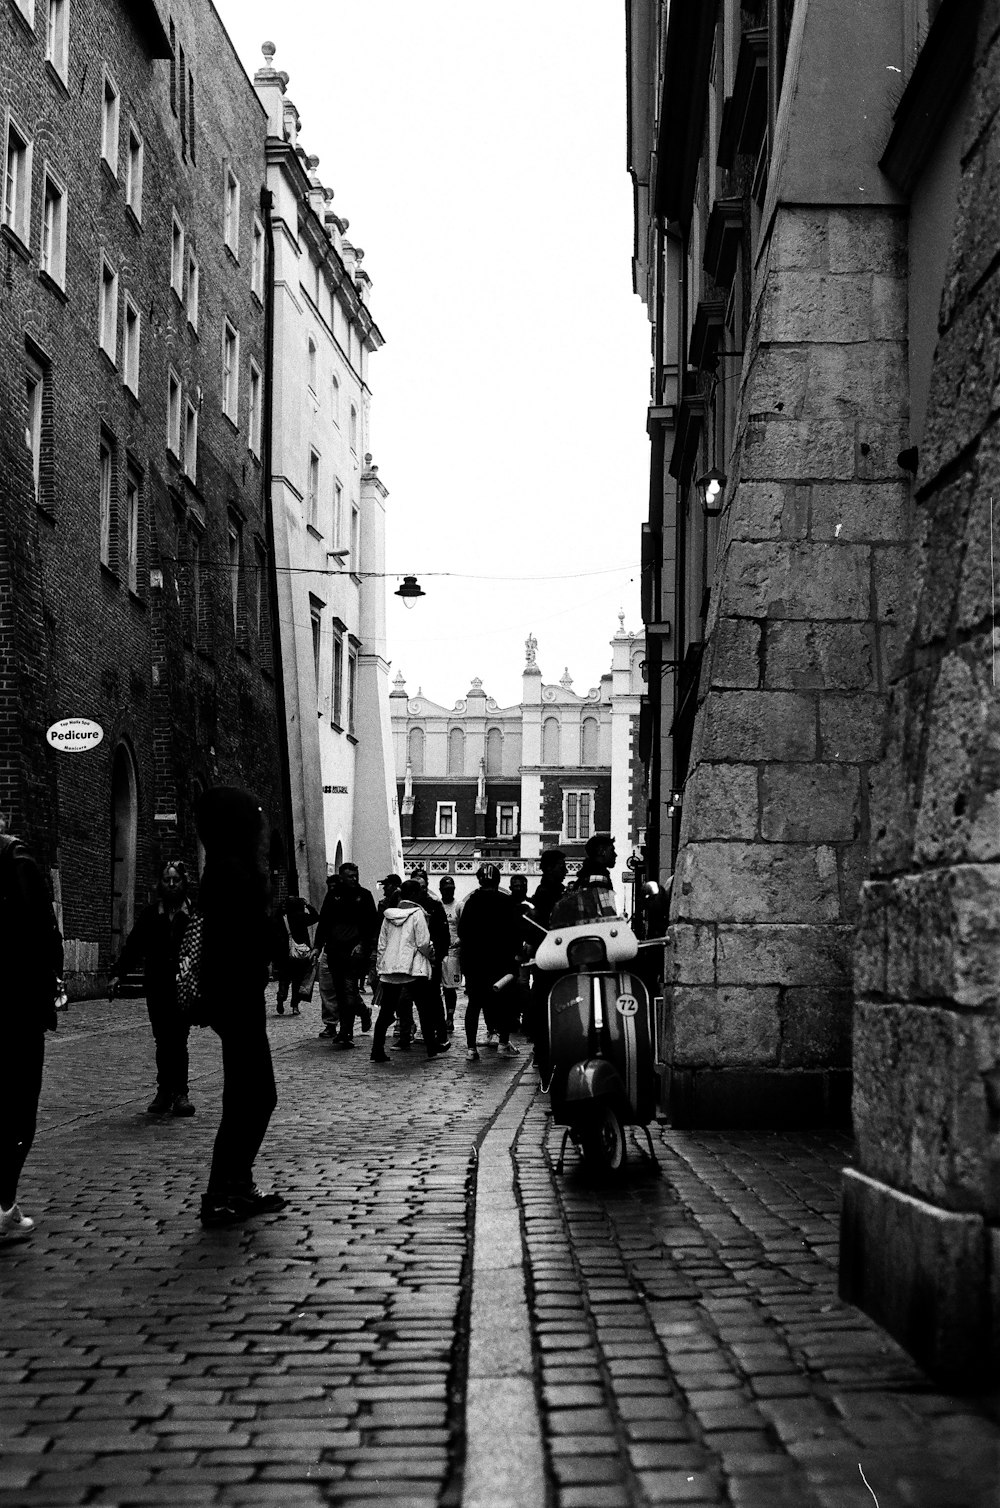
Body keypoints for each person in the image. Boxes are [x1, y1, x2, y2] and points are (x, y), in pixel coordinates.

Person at [195, 786, 284, 1227]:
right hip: (235, 995)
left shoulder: (224, 867)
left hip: (233, 994)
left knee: (248, 1094)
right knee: (253, 1095)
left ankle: (236, 1185)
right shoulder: (234, 872)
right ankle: (222, 1192)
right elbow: (253, 933)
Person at [0, 813, 63, 1239]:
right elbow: (39, 932)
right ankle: (4, 1204)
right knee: (18, 1107)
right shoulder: (13, 856)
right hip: (12, 1006)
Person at [110, 861, 195, 1116]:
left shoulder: (193, 914)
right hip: (157, 984)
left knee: (178, 1038)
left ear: (183, 883)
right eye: (167, 880)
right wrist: (118, 974)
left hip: (183, 984)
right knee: (162, 1039)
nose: (171, 885)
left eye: (175, 880)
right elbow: (134, 945)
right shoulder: (150, 914)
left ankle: (180, 1093)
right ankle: (164, 1090)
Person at [370, 879, 451, 1063]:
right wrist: (431, 957)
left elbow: (382, 944)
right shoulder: (418, 914)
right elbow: (423, 942)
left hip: (391, 970)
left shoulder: (388, 916)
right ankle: (431, 1047)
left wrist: (381, 966)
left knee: (386, 1012)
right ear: (416, 894)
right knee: (424, 1009)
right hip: (413, 969)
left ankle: (377, 1050)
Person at [458, 863, 521, 1062]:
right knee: (503, 1003)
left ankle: (471, 1048)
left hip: (475, 962)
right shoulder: (506, 901)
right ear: (498, 880)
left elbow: (463, 933)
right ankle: (503, 1042)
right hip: (500, 961)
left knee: (474, 1005)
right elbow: (514, 933)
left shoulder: (471, 902)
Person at [312, 863, 378, 1049]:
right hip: (334, 951)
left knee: (348, 991)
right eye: (350, 876)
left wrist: (363, 945)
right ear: (342, 877)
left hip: (354, 954)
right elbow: (324, 922)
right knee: (340, 992)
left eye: (356, 875)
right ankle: (362, 1013)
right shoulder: (333, 896)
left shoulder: (364, 896)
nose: (354, 879)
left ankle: (346, 1032)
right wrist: (317, 946)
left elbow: (371, 925)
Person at [524, 848, 568, 1074]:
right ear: (550, 868)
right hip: (550, 956)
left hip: (557, 954)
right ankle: (543, 1051)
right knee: (545, 1003)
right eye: (561, 866)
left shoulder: (557, 890)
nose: (565, 870)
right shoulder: (545, 893)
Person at [409, 869, 450, 1051]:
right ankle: (425, 1035)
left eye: (424, 887)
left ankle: (440, 1034)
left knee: (434, 998)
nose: (422, 890)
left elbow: (443, 935)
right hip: (413, 962)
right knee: (418, 1001)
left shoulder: (434, 905)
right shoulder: (406, 907)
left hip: (432, 960)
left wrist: (437, 957)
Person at [274, 891, 319, 1016]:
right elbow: (316, 917)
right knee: (297, 981)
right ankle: (295, 1006)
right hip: (300, 954)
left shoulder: (282, 918)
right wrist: (308, 905)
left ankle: (281, 998)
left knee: (284, 979)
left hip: (285, 954)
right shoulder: (302, 916)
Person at [438, 876, 463, 1035]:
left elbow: (464, 927)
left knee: (449, 989)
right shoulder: (437, 905)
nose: (449, 892)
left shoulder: (459, 906)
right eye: (446, 889)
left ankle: (450, 1016)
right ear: (441, 890)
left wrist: (459, 941)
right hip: (438, 951)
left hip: (453, 952)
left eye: (451, 889)